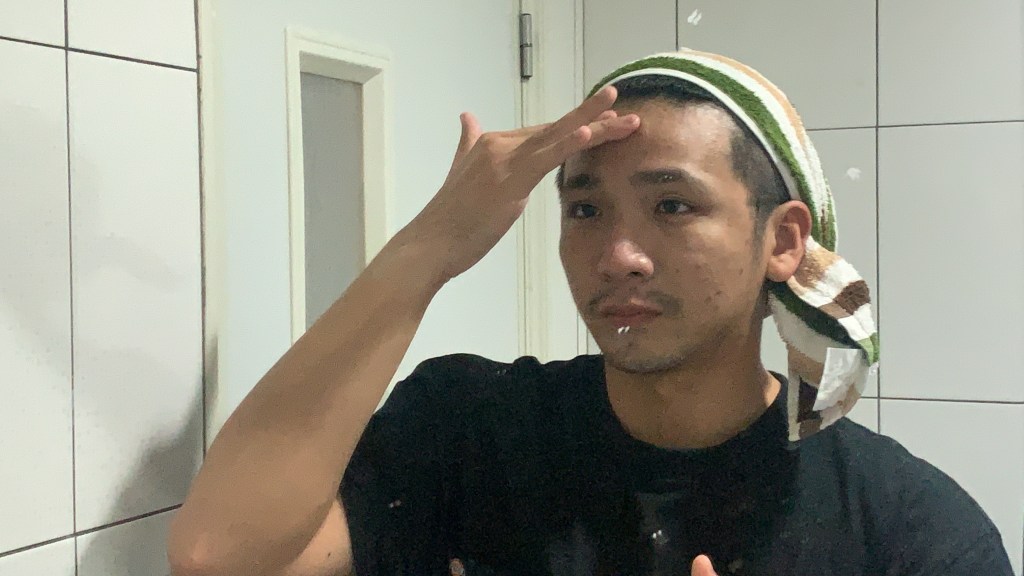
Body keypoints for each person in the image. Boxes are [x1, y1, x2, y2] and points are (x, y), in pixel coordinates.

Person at [168, 50, 1013, 576]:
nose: (618, 255)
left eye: (673, 206)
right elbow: (220, 556)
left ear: (782, 240)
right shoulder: (468, 430)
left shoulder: (905, 529)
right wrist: (430, 246)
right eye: (584, 209)